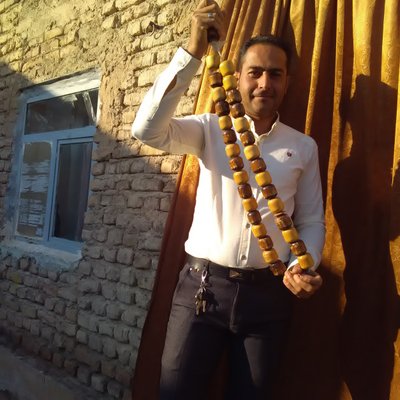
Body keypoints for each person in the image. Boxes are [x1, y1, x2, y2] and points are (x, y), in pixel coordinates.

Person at [132, 1, 325, 398]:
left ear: (287, 81)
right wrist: (192, 52)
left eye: (275, 74)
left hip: (268, 297)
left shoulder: (303, 147)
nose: (265, 84)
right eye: (255, 72)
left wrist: (303, 265)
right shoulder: (209, 128)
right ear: (237, 78)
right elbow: (147, 131)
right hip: (201, 290)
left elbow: (311, 221)